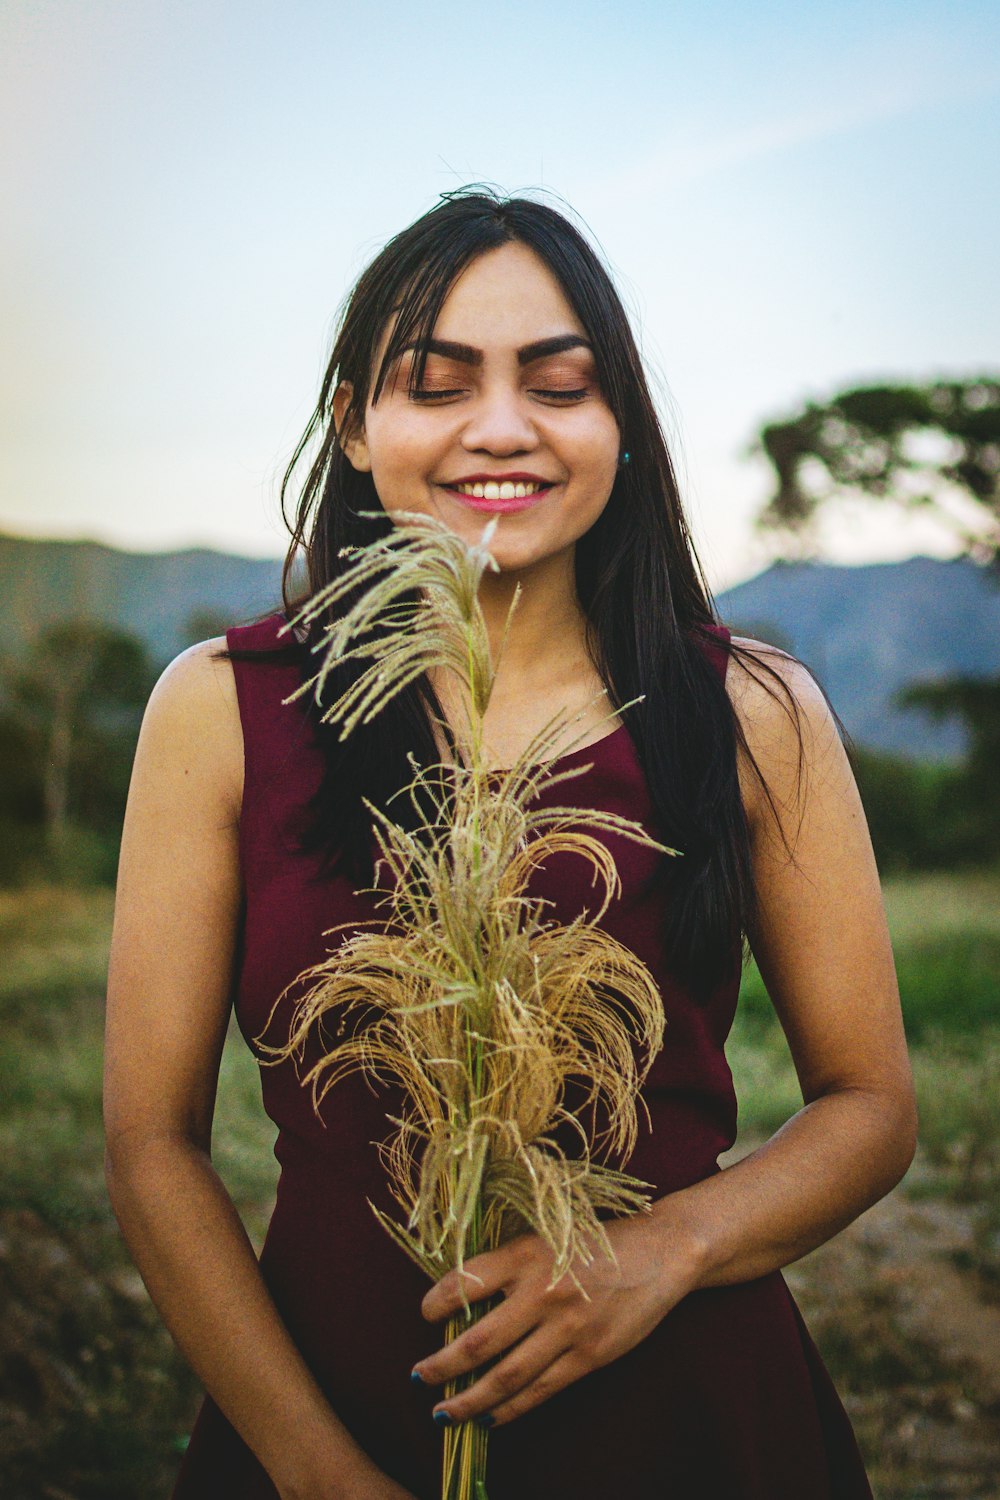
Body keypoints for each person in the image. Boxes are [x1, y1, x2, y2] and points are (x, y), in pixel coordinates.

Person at [103, 189, 917, 1500]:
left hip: (689, 1425)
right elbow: (150, 1142)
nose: (500, 427)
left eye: (560, 384)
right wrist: (319, 1477)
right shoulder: (222, 707)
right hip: (328, 1419)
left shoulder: (756, 714)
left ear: (620, 430)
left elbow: (874, 1111)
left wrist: (666, 1251)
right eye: (436, 384)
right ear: (358, 428)